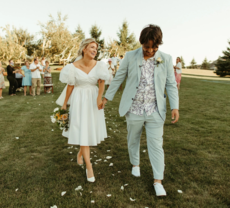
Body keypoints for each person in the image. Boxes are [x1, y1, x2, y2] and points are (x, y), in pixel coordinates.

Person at [102, 24, 179, 196]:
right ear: (141, 43)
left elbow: (171, 85)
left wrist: (175, 106)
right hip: (134, 107)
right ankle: (135, 164)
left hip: (155, 109)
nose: (150, 51)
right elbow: (118, 78)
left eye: (154, 47)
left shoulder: (165, 58)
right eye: (147, 47)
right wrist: (107, 97)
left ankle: (158, 180)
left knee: (156, 145)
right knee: (133, 138)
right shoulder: (130, 56)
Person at [59, 38, 109, 183]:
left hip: (93, 99)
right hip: (79, 99)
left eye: (96, 48)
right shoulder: (72, 67)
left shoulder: (99, 65)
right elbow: (70, 85)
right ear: (84, 49)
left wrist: (99, 98)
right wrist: (64, 104)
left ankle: (80, 154)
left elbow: (101, 82)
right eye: (92, 47)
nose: (95, 50)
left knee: (89, 129)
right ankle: (89, 166)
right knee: (82, 128)